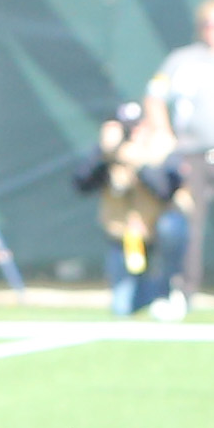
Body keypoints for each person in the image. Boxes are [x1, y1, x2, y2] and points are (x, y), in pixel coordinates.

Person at [144, 0, 214, 316]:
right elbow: (154, 96)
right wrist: (165, 133)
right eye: (208, 23)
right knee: (191, 222)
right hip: (193, 154)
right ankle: (185, 290)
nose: (213, 30)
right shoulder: (183, 60)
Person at [77, 96, 187, 318]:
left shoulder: (161, 147)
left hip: (155, 236)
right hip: (124, 241)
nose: (133, 134)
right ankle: (147, 292)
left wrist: (138, 163)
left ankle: (167, 287)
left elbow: (165, 190)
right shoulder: (107, 154)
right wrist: (105, 153)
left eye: (137, 127)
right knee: (123, 307)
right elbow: (81, 184)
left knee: (173, 227)